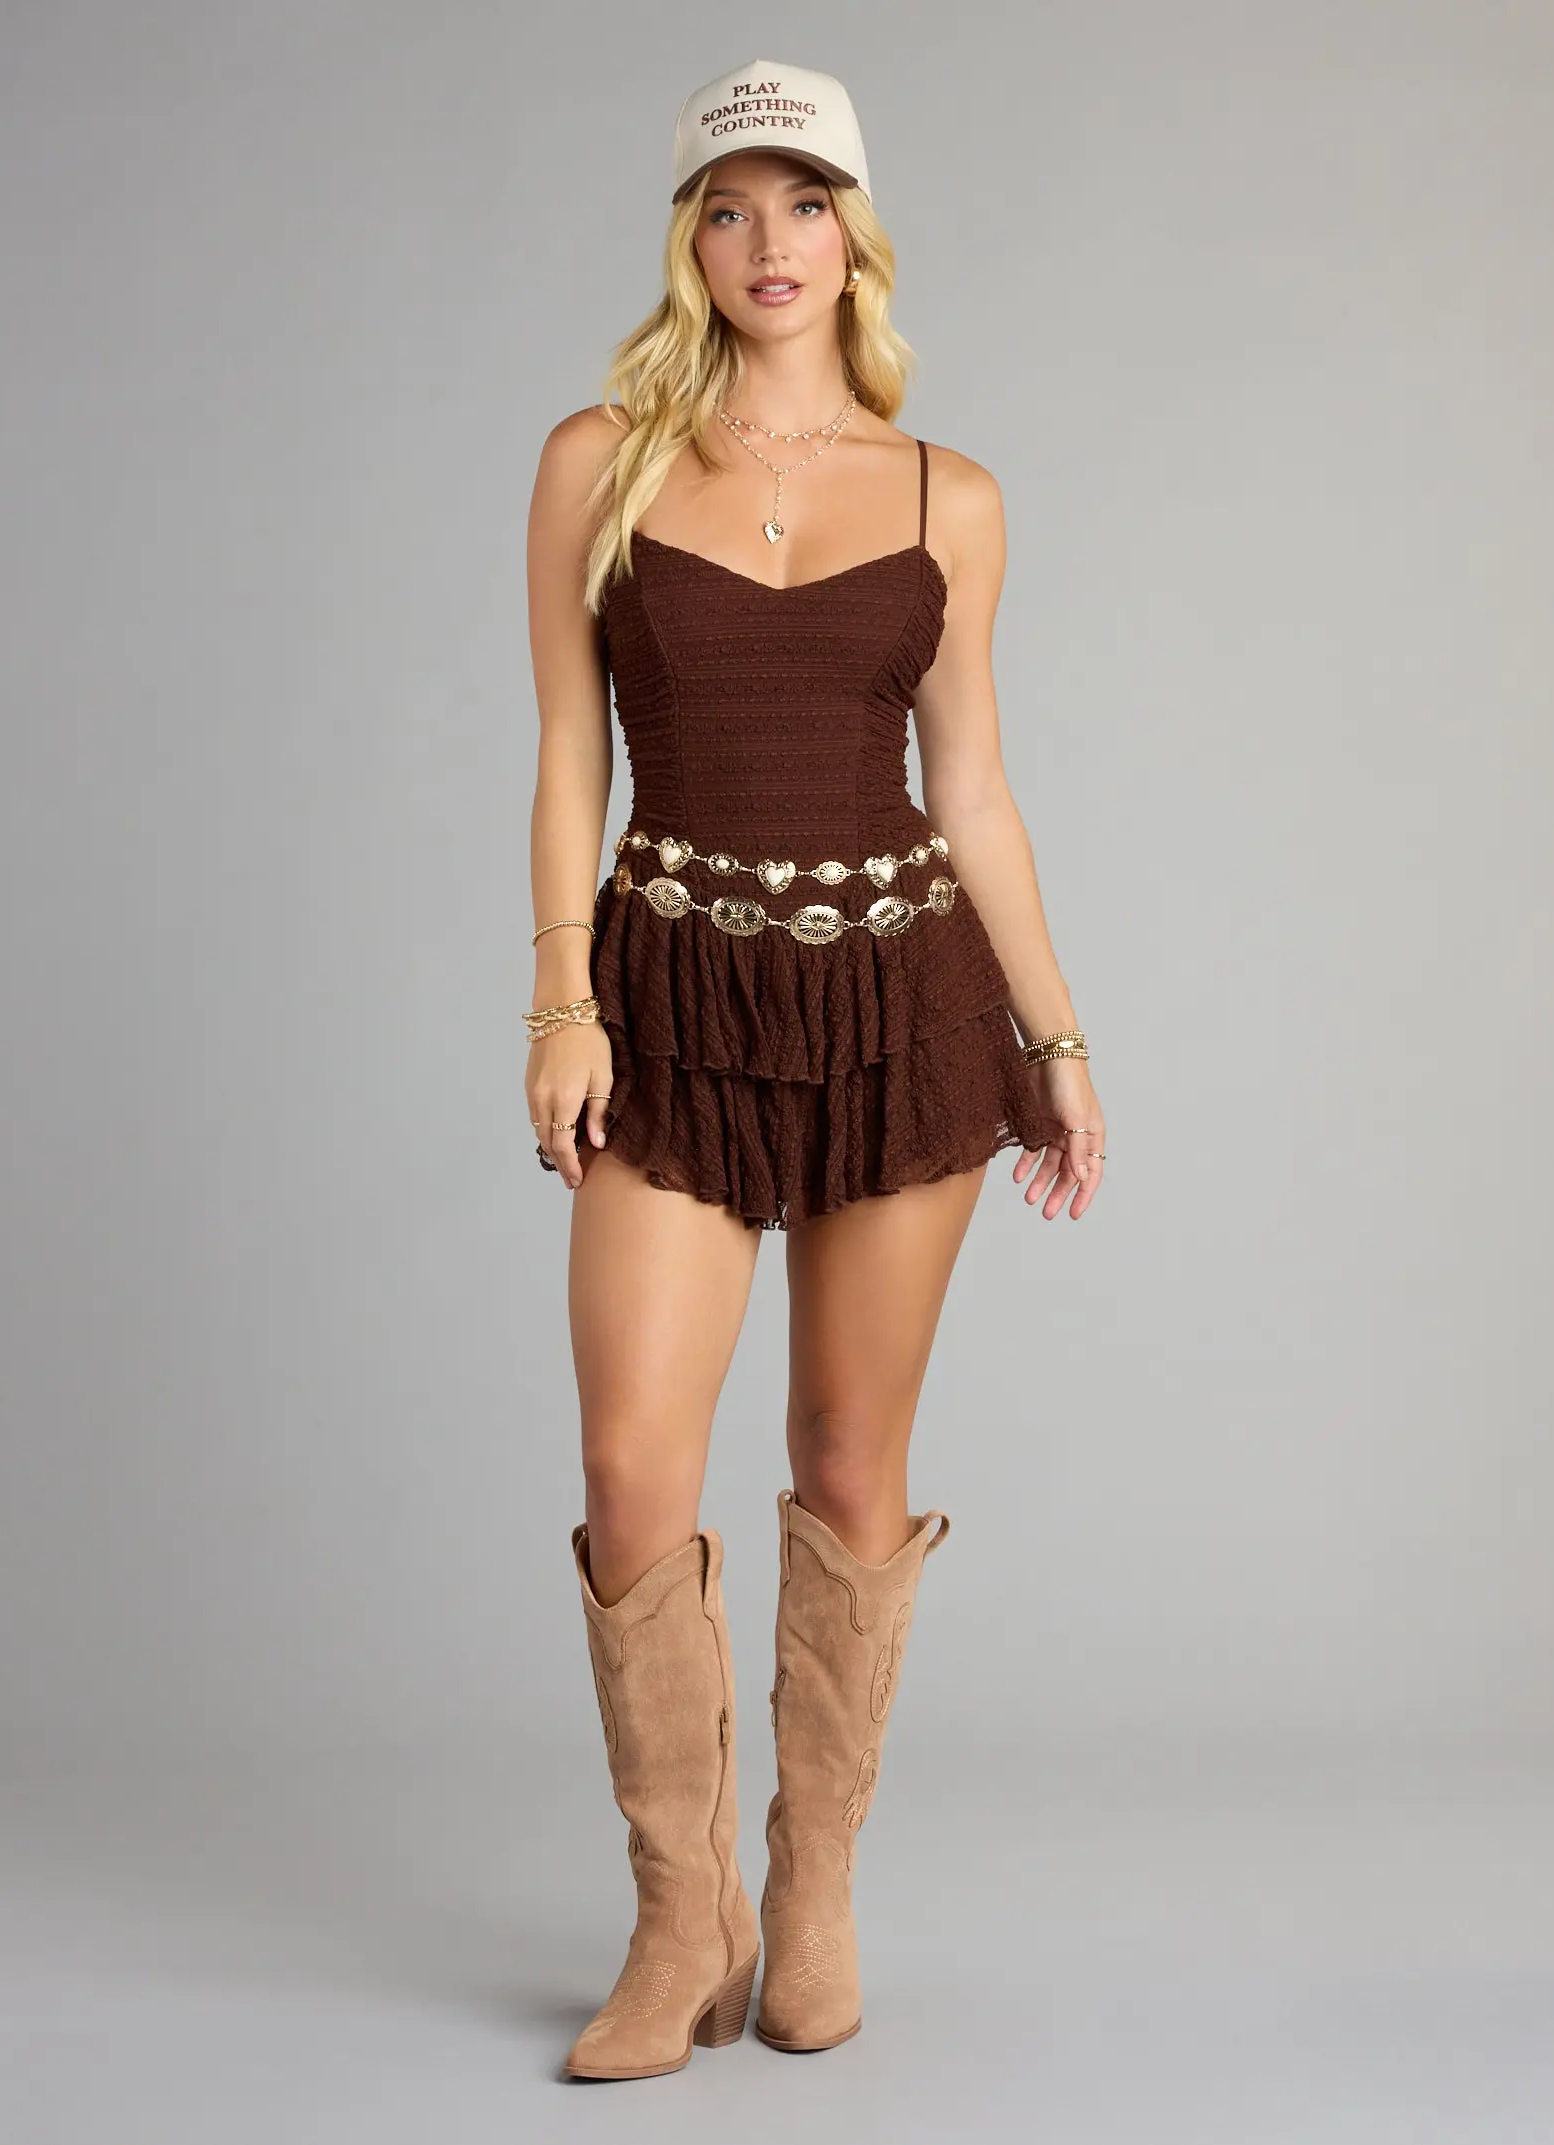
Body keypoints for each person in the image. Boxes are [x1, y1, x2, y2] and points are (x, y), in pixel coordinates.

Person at [522, 58, 1102, 2082]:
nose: (767, 242)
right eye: (726, 205)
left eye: (804, 202)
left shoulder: (953, 496)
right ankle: (681, 1912)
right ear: (686, 241)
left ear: (856, 235)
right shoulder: (597, 459)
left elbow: (980, 793)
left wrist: (1054, 1035)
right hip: (671, 1000)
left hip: (896, 1009)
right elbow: (567, 756)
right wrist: (562, 1001)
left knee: (851, 1461)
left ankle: (816, 1886)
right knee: (629, 1468)